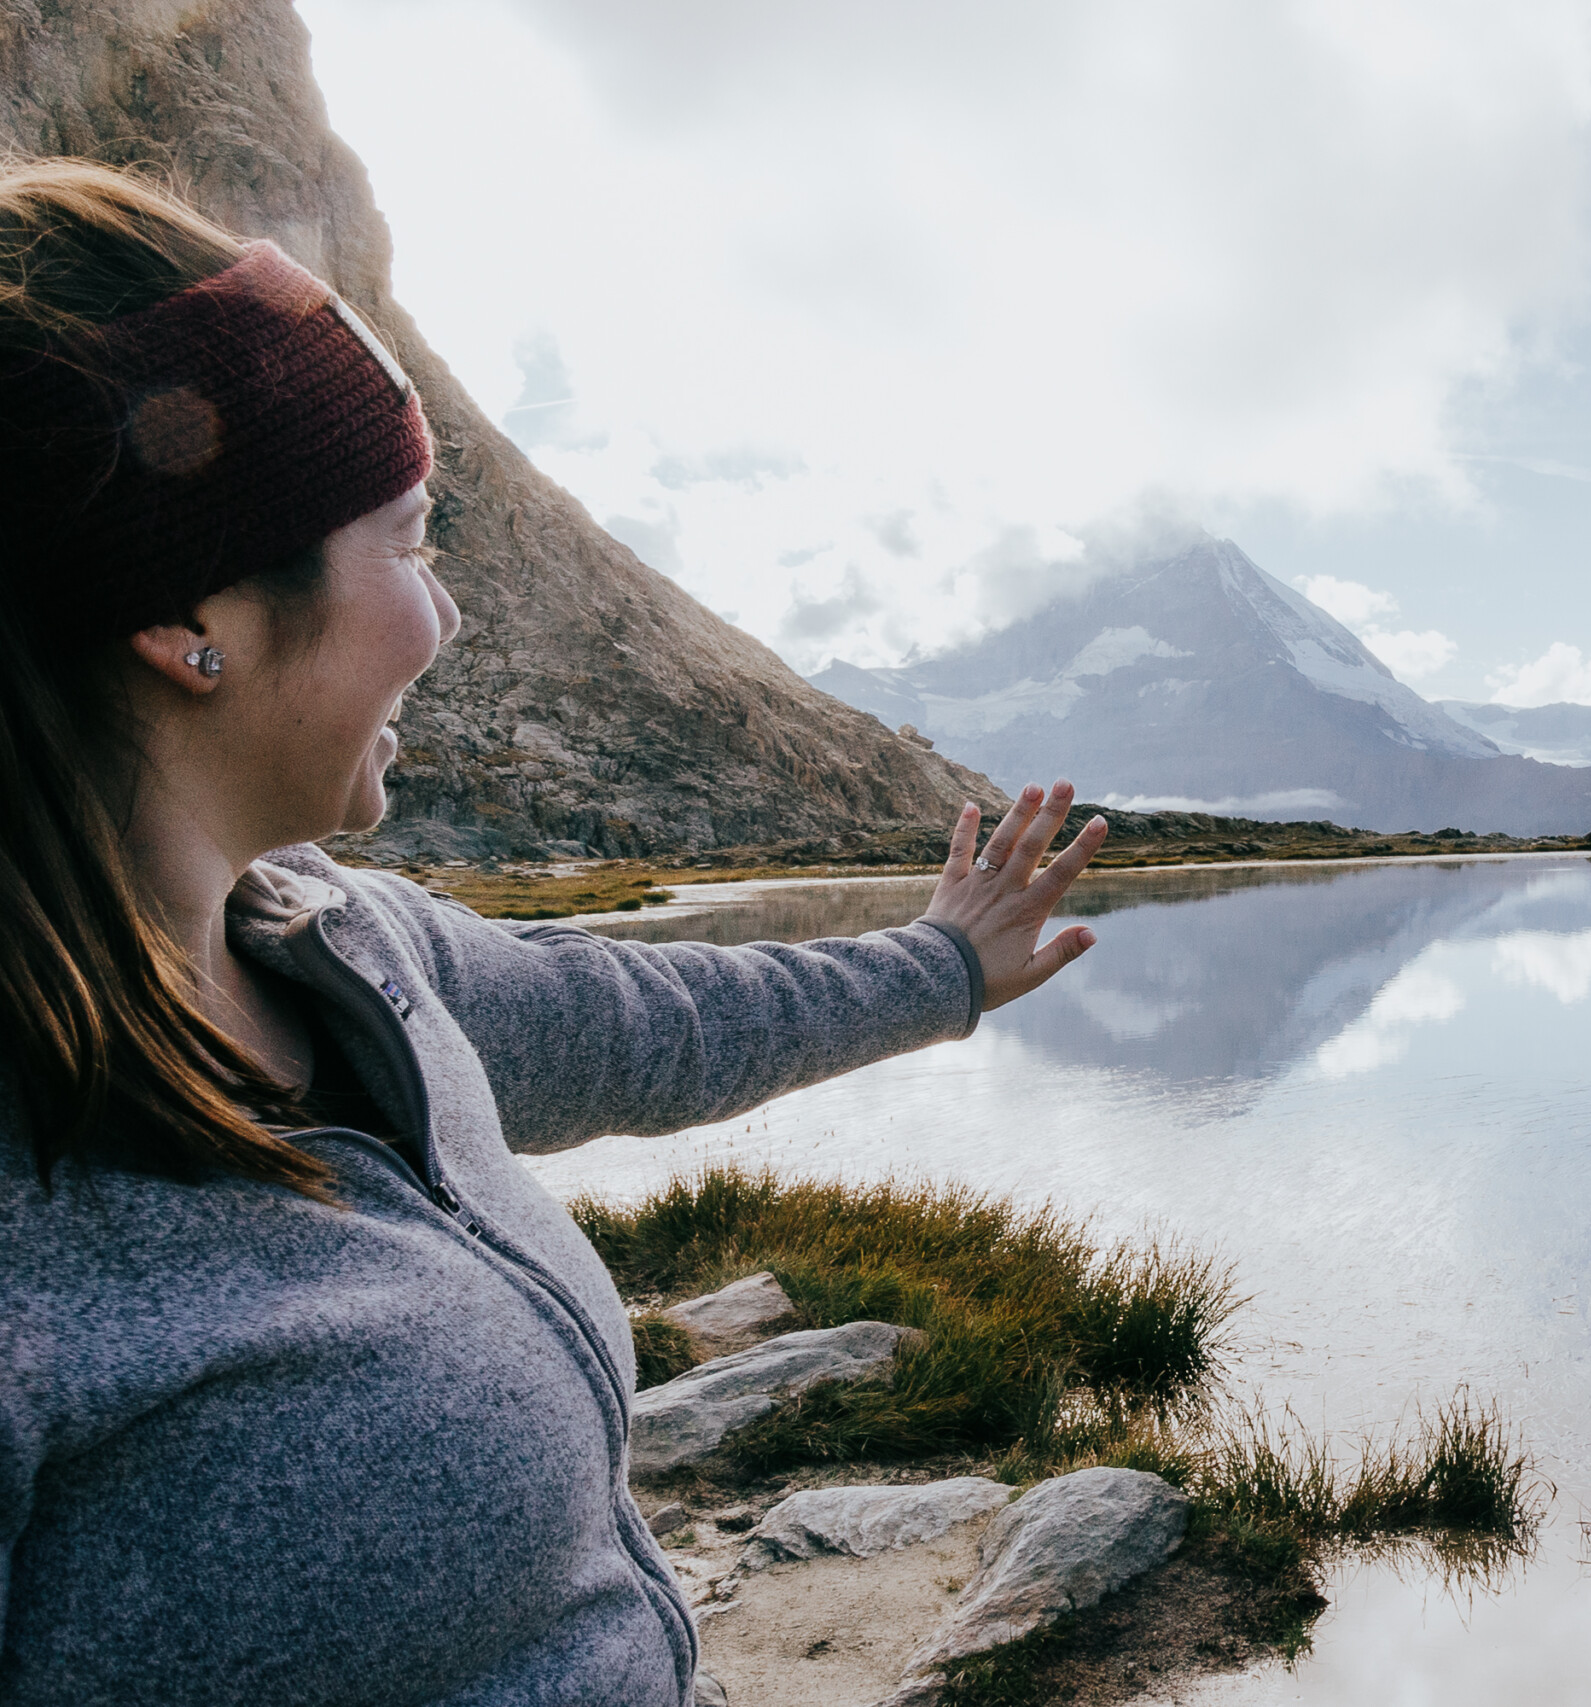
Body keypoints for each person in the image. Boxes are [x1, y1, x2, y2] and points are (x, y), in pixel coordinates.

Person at [0, 160, 1108, 1707]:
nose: (441, 619)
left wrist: (942, 966)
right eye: (409, 544)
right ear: (200, 618)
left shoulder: (344, 949)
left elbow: (648, 1021)